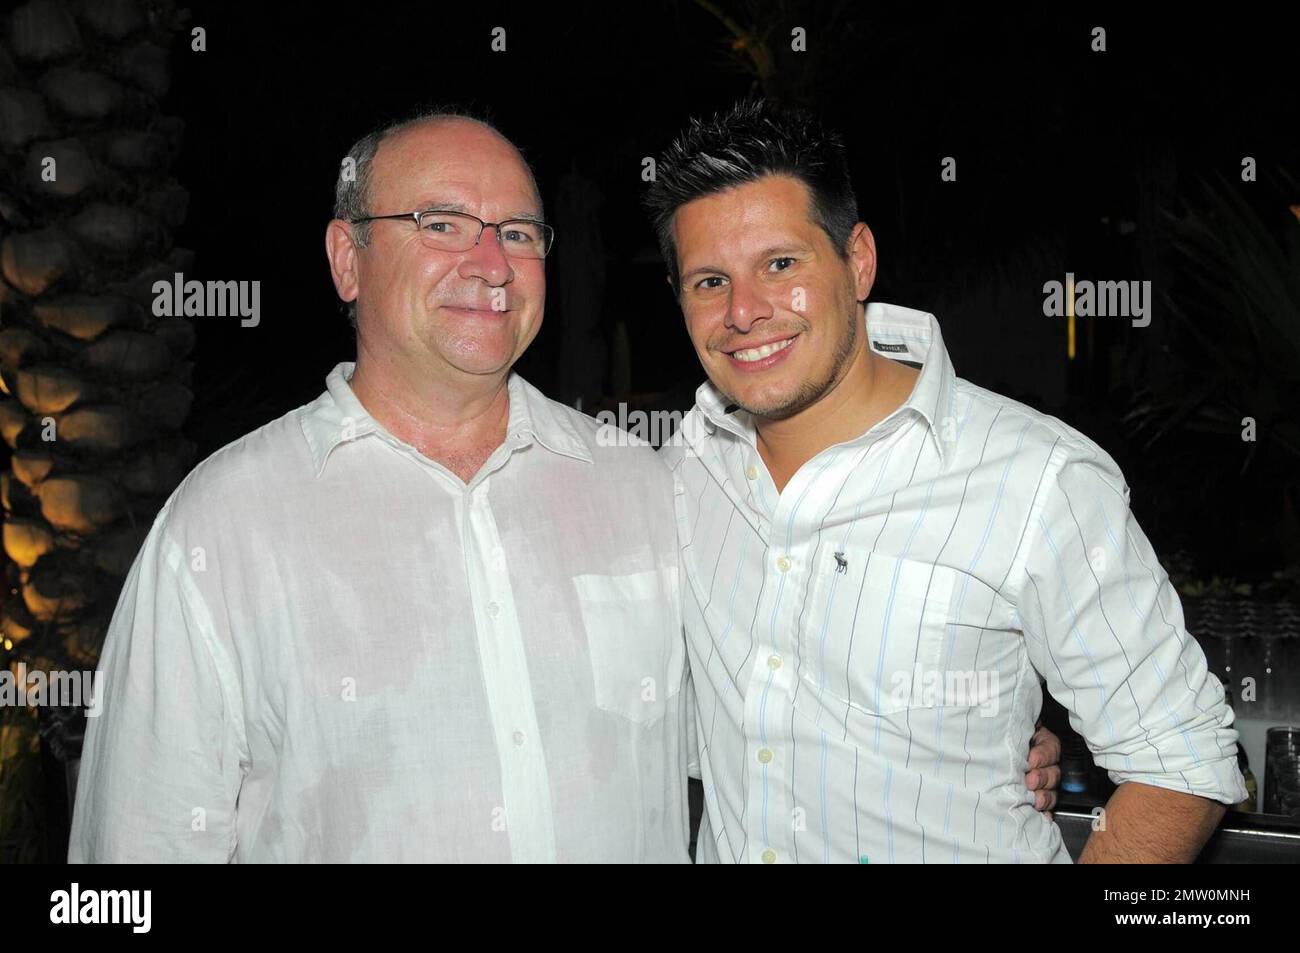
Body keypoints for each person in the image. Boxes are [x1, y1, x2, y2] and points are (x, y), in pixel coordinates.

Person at [69, 110, 690, 862]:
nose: (492, 263)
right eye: (442, 223)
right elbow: (138, 851)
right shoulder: (223, 527)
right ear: (347, 257)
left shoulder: (641, 488)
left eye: (519, 232)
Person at [647, 100, 1246, 863]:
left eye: (780, 263)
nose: (745, 311)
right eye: (708, 280)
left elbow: (1181, 757)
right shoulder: (681, 471)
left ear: (857, 259)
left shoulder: (1038, 478)